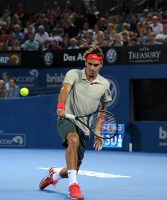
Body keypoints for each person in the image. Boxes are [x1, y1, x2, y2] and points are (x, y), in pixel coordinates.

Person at [39, 46, 112, 199]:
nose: (92, 67)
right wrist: (61, 107)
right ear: (85, 63)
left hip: (85, 127)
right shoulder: (73, 74)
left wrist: (98, 131)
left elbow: (103, 110)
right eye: (90, 64)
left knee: (73, 169)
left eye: (95, 65)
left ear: (101, 65)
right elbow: (65, 90)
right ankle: (73, 187)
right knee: (73, 140)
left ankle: (54, 175)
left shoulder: (105, 84)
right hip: (67, 118)